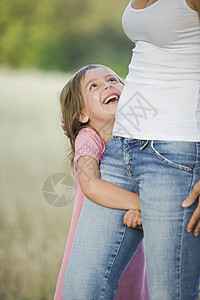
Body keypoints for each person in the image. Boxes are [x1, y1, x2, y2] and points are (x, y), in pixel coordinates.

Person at [61, 0, 200, 299]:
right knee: (80, 289)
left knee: (168, 293)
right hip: (120, 147)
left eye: (112, 80)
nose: (108, 85)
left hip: (176, 154)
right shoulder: (94, 139)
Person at [54, 64, 150, 300]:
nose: (108, 85)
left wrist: (141, 212)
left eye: (113, 79)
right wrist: (145, 206)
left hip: (133, 238)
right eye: (94, 86)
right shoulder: (88, 139)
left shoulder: (138, 136)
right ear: (82, 115)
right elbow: (92, 186)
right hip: (95, 244)